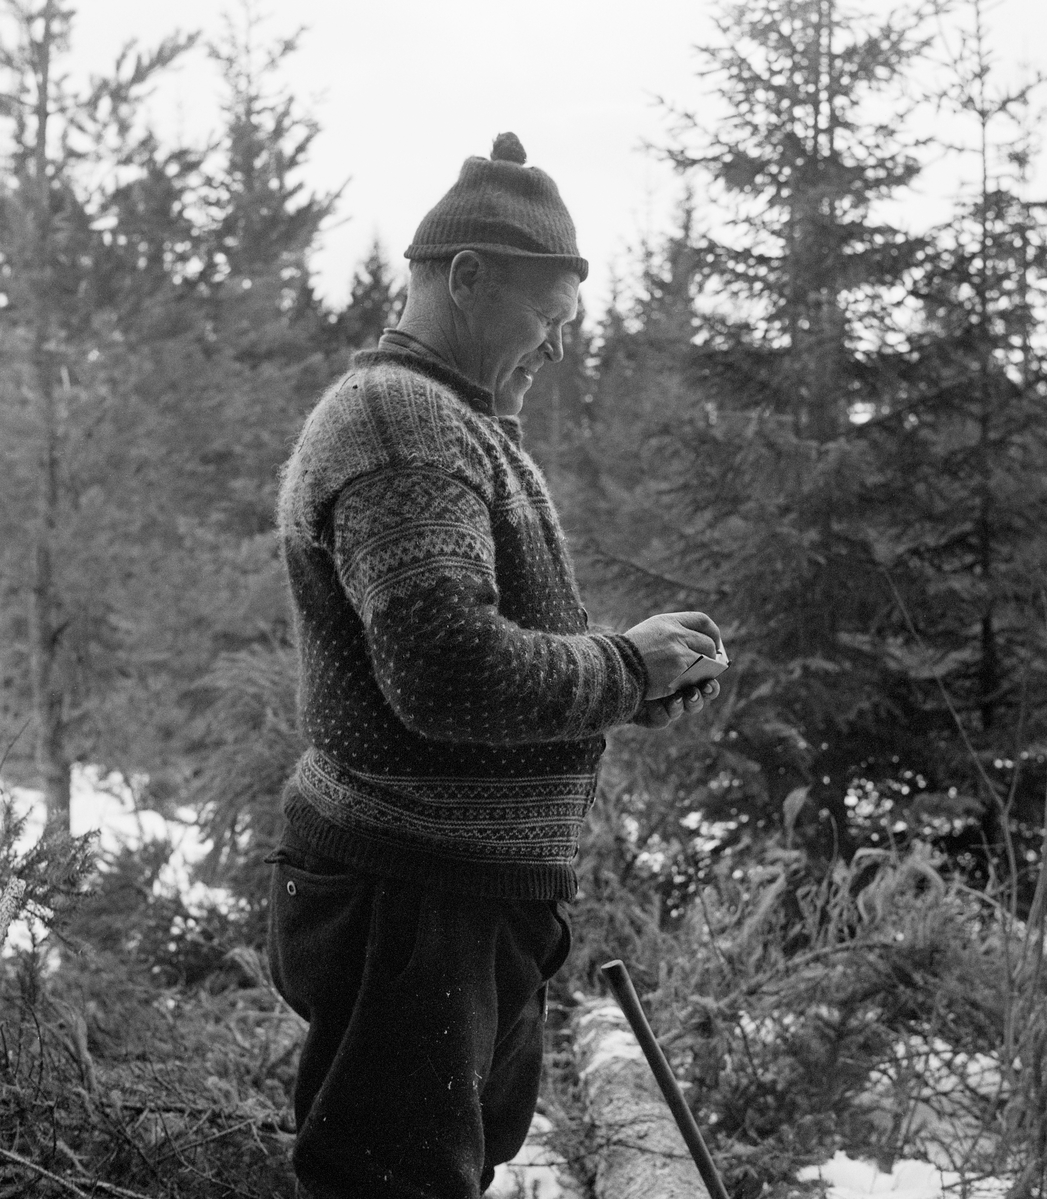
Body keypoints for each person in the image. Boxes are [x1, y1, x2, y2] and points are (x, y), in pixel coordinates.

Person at [268, 132, 722, 1199]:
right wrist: (622, 664)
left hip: (443, 898)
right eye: (547, 319)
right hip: (414, 903)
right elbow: (446, 674)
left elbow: (468, 658)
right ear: (466, 279)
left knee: (433, 1169)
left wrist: (636, 683)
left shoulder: (451, 417)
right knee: (394, 1184)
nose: (559, 349)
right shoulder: (403, 422)